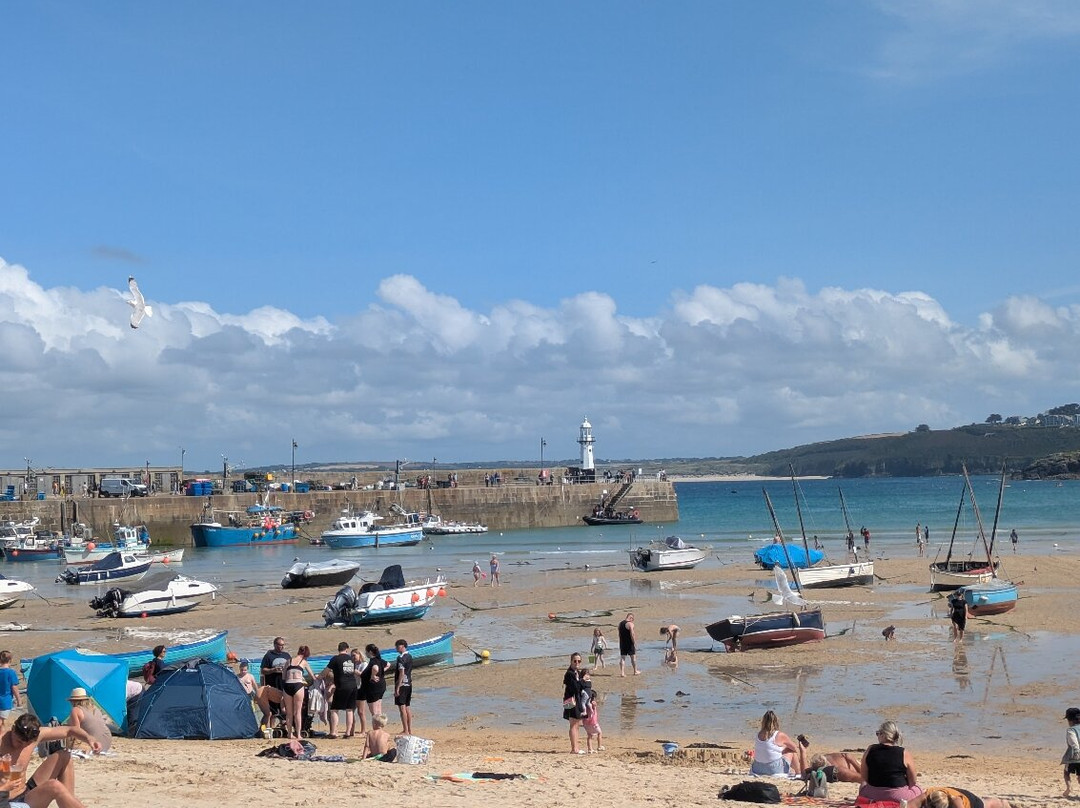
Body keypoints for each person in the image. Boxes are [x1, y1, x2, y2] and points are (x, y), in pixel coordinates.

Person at [0, 712, 101, 808]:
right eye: (19, 741)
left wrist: (90, 738)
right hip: (6, 800)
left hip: (26, 793)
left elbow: (69, 730)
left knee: (64, 756)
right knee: (54, 785)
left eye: (28, 743)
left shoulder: (34, 737)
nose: (22, 746)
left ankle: (69, 802)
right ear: (13, 729)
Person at [858, 720, 922, 802]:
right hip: (898, 796)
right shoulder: (904, 753)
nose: (877, 736)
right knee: (917, 788)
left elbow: (864, 777)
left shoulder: (870, 749)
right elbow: (913, 781)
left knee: (863, 785)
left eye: (878, 733)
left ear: (883, 735)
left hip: (872, 795)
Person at [750, 710, 800, 775]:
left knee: (781, 748)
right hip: (774, 769)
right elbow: (795, 748)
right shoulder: (779, 735)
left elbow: (769, 748)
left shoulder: (758, 734)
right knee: (791, 752)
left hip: (757, 768)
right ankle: (798, 772)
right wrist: (786, 749)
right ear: (776, 722)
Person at [324, 641, 357, 739]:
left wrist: (318, 677)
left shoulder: (335, 659)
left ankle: (334, 732)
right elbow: (352, 672)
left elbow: (326, 671)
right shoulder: (351, 659)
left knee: (334, 709)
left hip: (341, 685)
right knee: (349, 709)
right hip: (353, 685)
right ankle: (347, 732)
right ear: (347, 649)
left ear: (338, 649)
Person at [65, 687, 113, 753]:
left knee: (69, 732)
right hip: (106, 742)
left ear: (73, 701)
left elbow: (76, 731)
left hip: (93, 744)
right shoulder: (95, 709)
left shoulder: (76, 710)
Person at [282, 645, 314, 740]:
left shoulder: (289, 661)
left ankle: (289, 734)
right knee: (298, 712)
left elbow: (283, 677)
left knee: (289, 713)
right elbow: (312, 676)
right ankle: (298, 734)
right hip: (298, 685)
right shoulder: (304, 662)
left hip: (287, 685)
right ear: (306, 654)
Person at [259, 636, 290, 726]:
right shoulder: (269, 656)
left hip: (284, 685)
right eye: (280, 645)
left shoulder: (286, 655)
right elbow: (263, 670)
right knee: (273, 710)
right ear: (275, 645)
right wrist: (273, 670)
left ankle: (283, 727)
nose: (282, 647)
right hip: (272, 685)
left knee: (284, 708)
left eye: (283, 645)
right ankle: (271, 728)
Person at [360, 643, 388, 731]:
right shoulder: (379, 659)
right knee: (378, 708)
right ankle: (380, 728)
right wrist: (381, 673)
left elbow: (375, 668)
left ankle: (377, 729)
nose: (365, 654)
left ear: (370, 652)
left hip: (373, 687)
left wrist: (373, 675)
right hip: (381, 685)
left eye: (366, 652)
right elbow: (388, 664)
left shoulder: (373, 661)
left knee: (374, 711)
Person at [907, 786, 1013, 808]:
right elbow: (908, 806)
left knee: (987, 804)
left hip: (969, 801)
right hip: (950, 791)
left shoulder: (957, 803)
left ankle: (1003, 803)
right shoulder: (928, 795)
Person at [562, 652, 585, 754]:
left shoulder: (577, 673)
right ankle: (574, 748)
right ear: (571, 661)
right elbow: (575, 688)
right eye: (575, 661)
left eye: (579, 661)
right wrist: (582, 681)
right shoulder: (570, 673)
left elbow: (581, 687)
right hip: (570, 700)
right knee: (573, 723)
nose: (577, 663)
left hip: (576, 700)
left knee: (577, 724)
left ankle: (576, 747)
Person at [394, 639, 414, 736]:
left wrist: (398, 686)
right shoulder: (409, 656)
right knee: (407, 707)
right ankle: (409, 729)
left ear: (402, 646)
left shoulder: (401, 658)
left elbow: (401, 672)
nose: (396, 648)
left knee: (402, 708)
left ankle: (405, 730)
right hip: (409, 683)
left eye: (397, 646)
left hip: (402, 684)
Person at [0, 649, 20, 731]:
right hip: (5, 700)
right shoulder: (11, 672)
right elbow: (14, 687)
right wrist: (19, 699)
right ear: (10, 660)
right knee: (2, 721)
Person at [1062, 706, 1080, 797]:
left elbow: (1074, 743)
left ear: (1070, 720)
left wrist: (1076, 752)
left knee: (1066, 772)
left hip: (1075, 755)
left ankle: (1069, 788)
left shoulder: (1071, 730)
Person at [583, 688, 603, 752]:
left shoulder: (584, 704)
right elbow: (594, 707)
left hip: (586, 723)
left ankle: (590, 749)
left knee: (589, 736)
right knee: (599, 733)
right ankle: (599, 746)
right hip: (593, 722)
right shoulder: (593, 703)